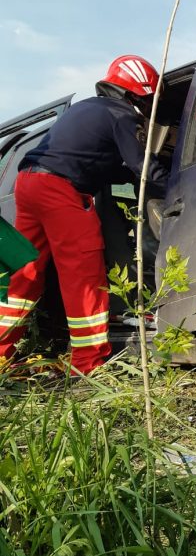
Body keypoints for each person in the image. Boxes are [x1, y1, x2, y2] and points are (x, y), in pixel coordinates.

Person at [0, 55, 169, 376]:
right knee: (83, 275)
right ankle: (87, 363)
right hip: (60, 190)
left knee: (27, 273)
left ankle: (1, 354)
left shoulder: (87, 109)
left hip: (29, 183)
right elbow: (144, 169)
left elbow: (100, 165)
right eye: (149, 101)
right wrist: (178, 184)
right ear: (138, 95)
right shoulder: (123, 116)